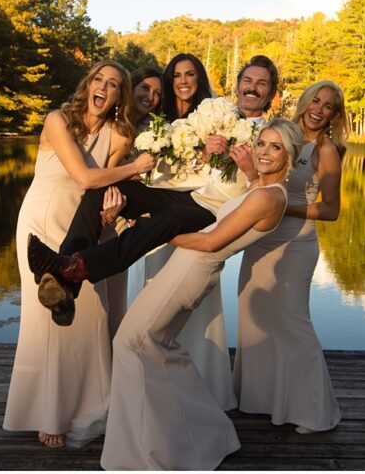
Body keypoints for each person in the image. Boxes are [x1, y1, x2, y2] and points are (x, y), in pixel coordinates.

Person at [99, 119, 304, 471]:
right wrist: (249, 172)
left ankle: (141, 453)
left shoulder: (271, 196)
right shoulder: (262, 189)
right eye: (263, 144)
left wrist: (151, 229)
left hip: (193, 267)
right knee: (157, 346)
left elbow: (210, 241)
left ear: (290, 155)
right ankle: (208, 431)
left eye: (276, 147)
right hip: (193, 266)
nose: (265, 152)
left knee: (130, 342)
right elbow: (244, 203)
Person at [26, 54, 279, 325]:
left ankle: (71, 271)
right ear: (239, 84)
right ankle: (65, 277)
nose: (253, 87)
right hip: (187, 193)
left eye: (261, 83)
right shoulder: (215, 111)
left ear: (271, 92)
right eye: (248, 80)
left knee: (165, 221)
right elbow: (190, 163)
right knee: (106, 189)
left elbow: (270, 190)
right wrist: (202, 153)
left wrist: (250, 170)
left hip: (216, 209)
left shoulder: (272, 135)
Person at [2, 61, 154, 450]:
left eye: (114, 84)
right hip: (40, 225)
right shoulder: (57, 120)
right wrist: (135, 168)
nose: (104, 87)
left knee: (90, 316)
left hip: (79, 230)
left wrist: (112, 208)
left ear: (120, 96)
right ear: (88, 86)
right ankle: (48, 414)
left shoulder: (120, 136)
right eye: (99, 80)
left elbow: (101, 189)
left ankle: (92, 406)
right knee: (44, 319)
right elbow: (84, 177)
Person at [232, 79, 349, 433]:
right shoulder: (279, 132)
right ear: (305, 101)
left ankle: (315, 412)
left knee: (293, 323)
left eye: (329, 106)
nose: (319, 109)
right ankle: (260, 400)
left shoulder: (326, 151)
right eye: (316, 100)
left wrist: (283, 206)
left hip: (295, 244)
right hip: (260, 237)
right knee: (254, 316)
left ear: (334, 115)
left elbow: (330, 211)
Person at [129, 65, 164, 130]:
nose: (150, 97)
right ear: (132, 87)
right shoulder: (111, 118)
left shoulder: (156, 130)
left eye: (157, 93)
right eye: (145, 88)